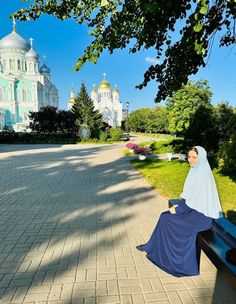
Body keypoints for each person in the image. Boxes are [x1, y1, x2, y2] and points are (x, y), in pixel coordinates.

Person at [136, 145, 223, 277]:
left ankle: (182, 265)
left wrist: (178, 210)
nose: (190, 160)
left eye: (194, 157)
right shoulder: (196, 171)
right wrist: (179, 207)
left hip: (202, 218)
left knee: (166, 218)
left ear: (201, 159)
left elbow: (194, 201)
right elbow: (191, 199)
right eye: (189, 156)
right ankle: (151, 246)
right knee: (165, 217)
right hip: (194, 211)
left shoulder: (202, 176)